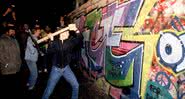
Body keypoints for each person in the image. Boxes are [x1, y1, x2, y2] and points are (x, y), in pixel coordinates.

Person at [42, 27, 83, 99]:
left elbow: (80, 37)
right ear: (61, 33)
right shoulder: (54, 42)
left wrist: (76, 29)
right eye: (66, 32)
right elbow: (49, 52)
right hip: (56, 70)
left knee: (76, 85)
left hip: (66, 68)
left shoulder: (70, 41)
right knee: (49, 90)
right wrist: (51, 40)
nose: (68, 33)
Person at [0, 25, 22, 98]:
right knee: (7, 86)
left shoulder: (15, 39)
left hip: (16, 66)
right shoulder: (2, 40)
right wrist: (6, 64)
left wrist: (19, 61)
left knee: (14, 84)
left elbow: (18, 52)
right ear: (7, 32)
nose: (13, 32)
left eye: (14, 31)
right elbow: (0, 54)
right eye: (11, 31)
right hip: (7, 68)